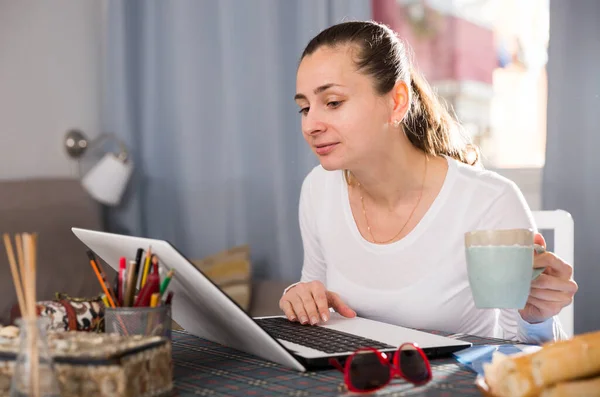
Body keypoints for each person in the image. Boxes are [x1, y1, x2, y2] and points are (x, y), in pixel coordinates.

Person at [279, 21, 577, 344]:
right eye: (304, 109)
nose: (311, 125)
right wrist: (301, 297)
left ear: (397, 102)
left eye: (333, 102)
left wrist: (537, 319)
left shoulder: (490, 202)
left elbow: (523, 360)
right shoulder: (317, 189)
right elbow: (315, 305)